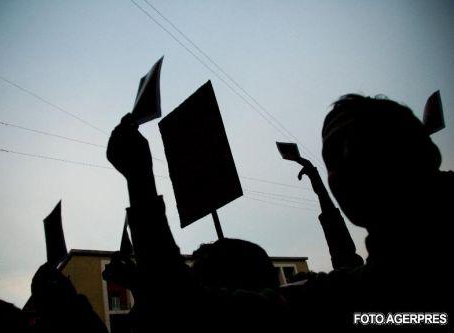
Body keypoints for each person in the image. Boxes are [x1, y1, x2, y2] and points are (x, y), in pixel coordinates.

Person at [282, 94, 453, 328]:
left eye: (361, 141)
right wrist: (316, 182)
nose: (346, 159)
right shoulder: (359, 290)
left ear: (424, 153)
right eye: (332, 156)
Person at [106, 113, 286, 332]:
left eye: (209, 254)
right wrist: (141, 287)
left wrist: (139, 178)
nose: (196, 254)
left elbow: (180, 297)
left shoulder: (262, 314)